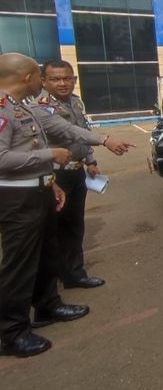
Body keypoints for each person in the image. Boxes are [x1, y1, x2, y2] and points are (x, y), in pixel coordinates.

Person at [0, 53, 133, 358]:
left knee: (47, 254)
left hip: (40, 190)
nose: (45, 81)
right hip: (17, 199)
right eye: (40, 76)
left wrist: (51, 182)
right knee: (19, 266)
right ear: (28, 78)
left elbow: (65, 132)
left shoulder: (22, 106)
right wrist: (50, 156)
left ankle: (47, 306)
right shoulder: (4, 108)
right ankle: (12, 333)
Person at [40, 61, 104, 288]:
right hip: (55, 177)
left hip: (76, 173)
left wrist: (90, 160)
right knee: (52, 229)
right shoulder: (41, 107)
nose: (62, 83)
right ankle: (50, 282)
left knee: (74, 226)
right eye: (55, 79)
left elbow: (82, 133)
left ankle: (74, 275)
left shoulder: (76, 101)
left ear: (74, 80)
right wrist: (106, 140)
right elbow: (68, 130)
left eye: (67, 78)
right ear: (44, 81)